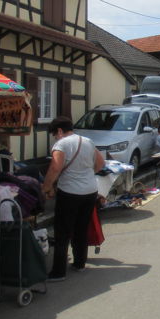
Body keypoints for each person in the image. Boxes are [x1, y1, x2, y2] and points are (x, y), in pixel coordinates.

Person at [43, 116, 105, 281]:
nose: (55, 137)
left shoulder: (61, 144)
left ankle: (58, 272)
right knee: (81, 227)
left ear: (60, 131)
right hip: (90, 190)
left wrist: (46, 187)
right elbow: (100, 163)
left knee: (62, 231)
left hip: (70, 192)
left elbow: (55, 167)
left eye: (55, 134)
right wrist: (87, 174)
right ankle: (79, 263)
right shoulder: (87, 141)